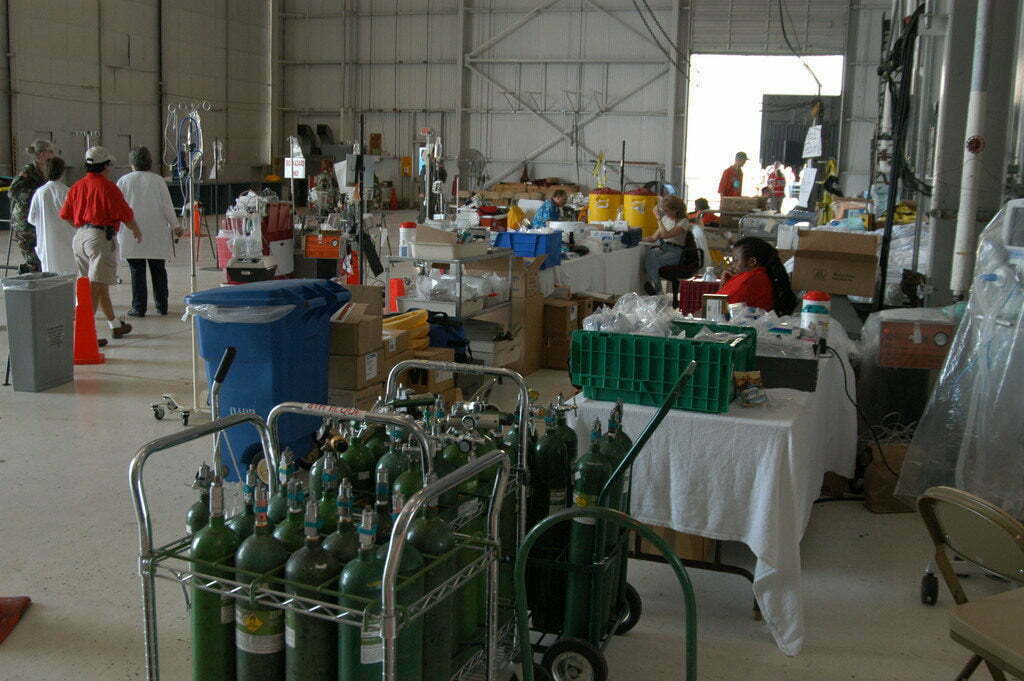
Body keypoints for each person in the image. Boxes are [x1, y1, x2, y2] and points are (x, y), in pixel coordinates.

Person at [60, 146, 142, 344]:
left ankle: (115, 325)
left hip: (80, 238)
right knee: (93, 289)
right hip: (99, 239)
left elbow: (65, 215)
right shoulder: (107, 187)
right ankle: (86, 335)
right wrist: (135, 230)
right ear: (105, 166)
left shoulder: (77, 186)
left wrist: (83, 229)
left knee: (97, 284)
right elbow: (125, 213)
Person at [117, 147, 181, 317]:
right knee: (158, 270)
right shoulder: (158, 180)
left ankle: (138, 307)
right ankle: (162, 305)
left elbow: (118, 207)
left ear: (132, 164)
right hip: (156, 233)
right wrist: (176, 225)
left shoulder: (123, 181)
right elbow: (167, 206)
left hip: (132, 233)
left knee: (137, 271)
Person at [9, 139, 57, 272]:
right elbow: (13, 191)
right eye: (51, 152)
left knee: (43, 257)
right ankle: (27, 278)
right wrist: (35, 195)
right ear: (42, 154)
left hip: (38, 220)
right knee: (35, 260)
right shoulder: (29, 170)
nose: (53, 155)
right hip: (25, 222)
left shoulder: (46, 171)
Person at [640, 195, 701, 295]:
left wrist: (658, 219)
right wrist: (636, 238)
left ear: (675, 209)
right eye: (664, 211)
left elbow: (665, 235)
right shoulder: (665, 219)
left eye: (667, 211)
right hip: (664, 248)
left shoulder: (683, 222)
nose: (665, 213)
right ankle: (657, 289)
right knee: (650, 255)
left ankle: (657, 290)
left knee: (653, 260)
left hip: (677, 252)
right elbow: (653, 238)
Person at [718, 236, 796, 314]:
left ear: (752, 262)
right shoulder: (756, 276)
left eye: (735, 260)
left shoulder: (751, 280)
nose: (732, 265)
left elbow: (718, 309)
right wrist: (724, 283)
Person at [27, 157, 76, 274]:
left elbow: (31, 219)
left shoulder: (39, 192)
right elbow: (75, 217)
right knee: (69, 273)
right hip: (67, 238)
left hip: (46, 241)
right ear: (62, 172)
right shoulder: (67, 191)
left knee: (50, 276)